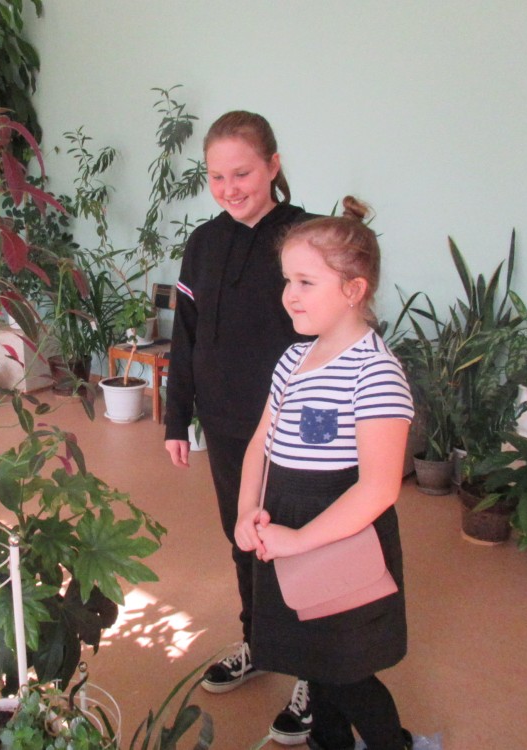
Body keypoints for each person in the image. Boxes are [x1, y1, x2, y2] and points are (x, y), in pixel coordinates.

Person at [234, 202, 415, 750]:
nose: (290, 294)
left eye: (306, 282)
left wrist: (300, 540)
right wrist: (246, 510)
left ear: (354, 290)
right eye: (288, 280)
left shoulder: (375, 373)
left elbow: (378, 487)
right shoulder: (292, 360)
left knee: (346, 670)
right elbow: (260, 445)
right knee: (313, 661)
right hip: (286, 526)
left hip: (337, 534)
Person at [164, 110, 315, 745]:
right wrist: (177, 416)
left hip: (294, 429)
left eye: (243, 173)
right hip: (226, 424)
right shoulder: (203, 243)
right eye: (217, 176)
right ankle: (259, 643)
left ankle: (312, 672)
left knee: (296, 545)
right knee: (243, 537)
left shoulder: (305, 238)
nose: (229, 188)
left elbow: (333, 332)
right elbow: (186, 334)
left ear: (273, 166)